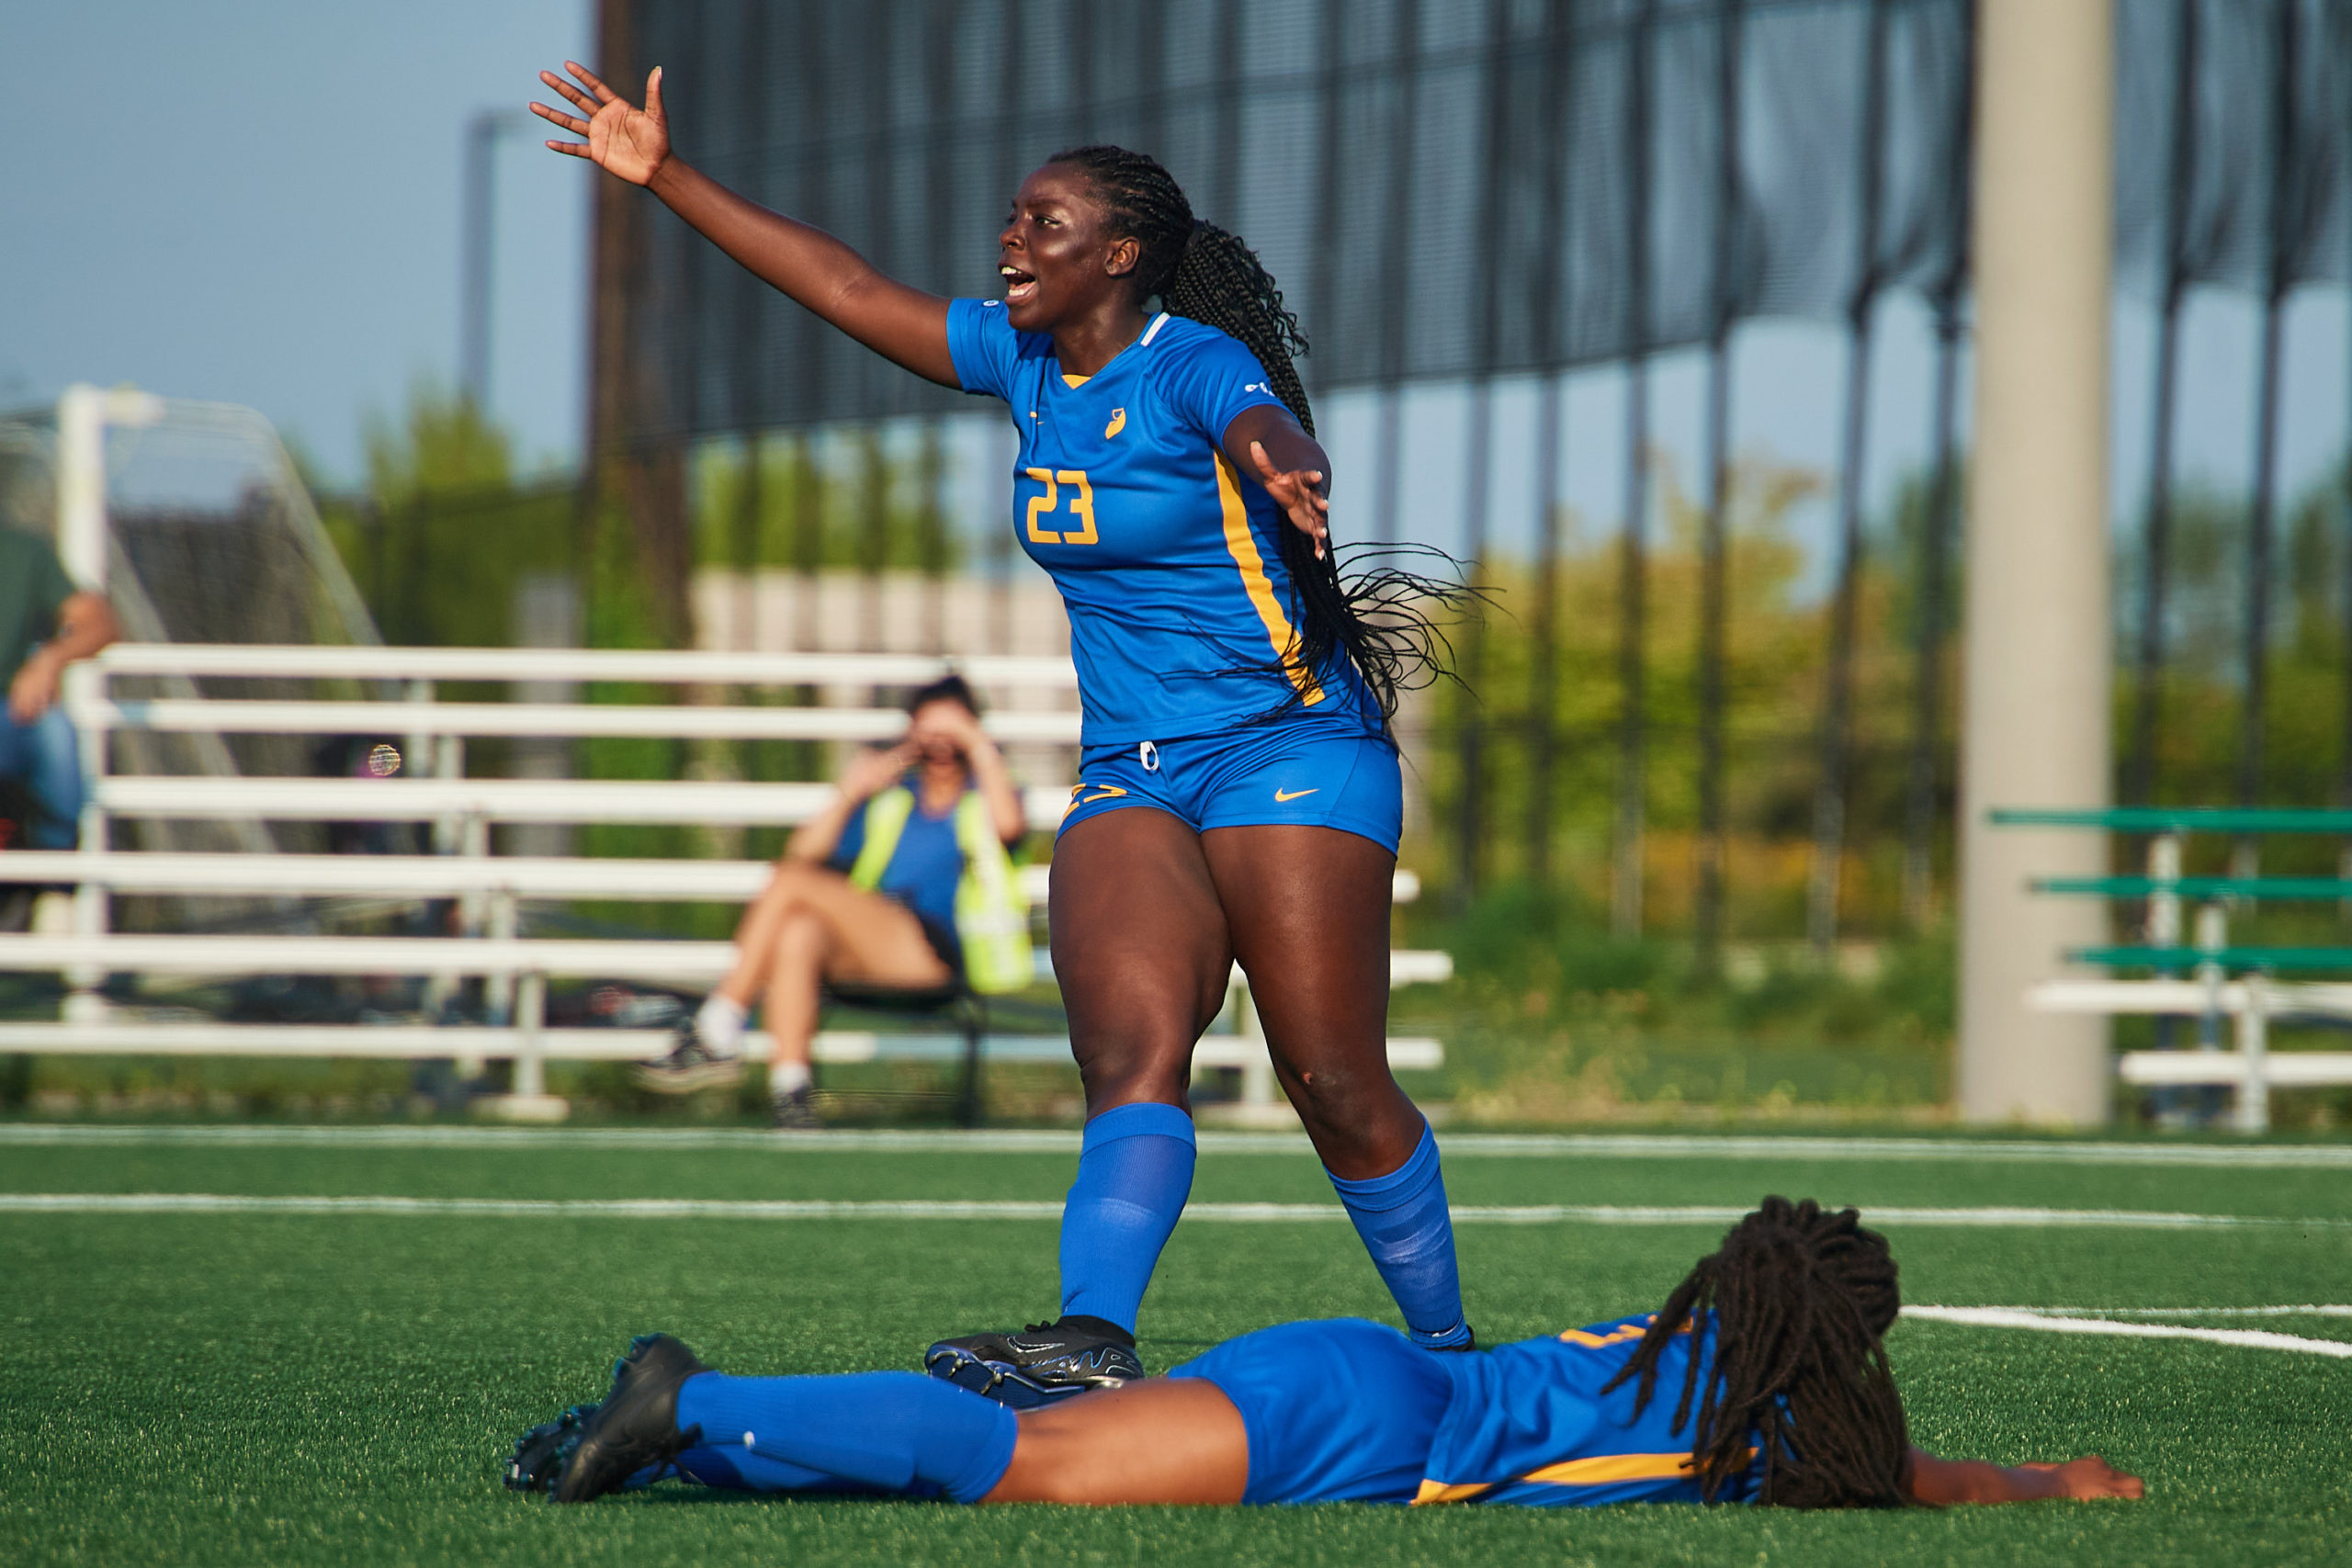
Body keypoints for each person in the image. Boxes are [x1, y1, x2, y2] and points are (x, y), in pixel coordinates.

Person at [534, 62, 1471, 1393]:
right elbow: (850, 289)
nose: (1011, 241)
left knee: (1329, 1074)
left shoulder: (1193, 361)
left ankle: (1449, 1350)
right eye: (1014, 219)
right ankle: (1094, 1333)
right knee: (1129, 1050)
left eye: (1044, 223)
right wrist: (666, 178)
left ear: (1122, 254)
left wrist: (1281, 454)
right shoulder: (1023, 362)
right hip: (1132, 769)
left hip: (1288, 743)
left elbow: (1249, 410)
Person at [503, 1198, 2146, 1512]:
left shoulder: (1686, 1330)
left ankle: (691, 1452)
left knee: (1035, 1465)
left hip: (1357, 1372)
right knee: (1036, 1468)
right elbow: (1924, 1475)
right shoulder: (1770, 1433)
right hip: (1371, 1430)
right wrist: (2051, 1478)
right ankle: (691, 1393)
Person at [633, 674, 1028, 1129]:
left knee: (795, 884)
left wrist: (977, 745)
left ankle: (719, 1024)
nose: (940, 745)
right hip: (876, 943)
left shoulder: (989, 791)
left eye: (951, 732)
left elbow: (1009, 829)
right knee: (799, 930)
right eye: (930, 731)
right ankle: (791, 1092)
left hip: (937, 947)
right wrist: (851, 792)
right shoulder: (893, 797)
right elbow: (803, 854)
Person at [0, 528, 117, 852]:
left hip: (9, 713)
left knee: (55, 730)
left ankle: (56, 866)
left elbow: (100, 621)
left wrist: (49, 659)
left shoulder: (21, 551)